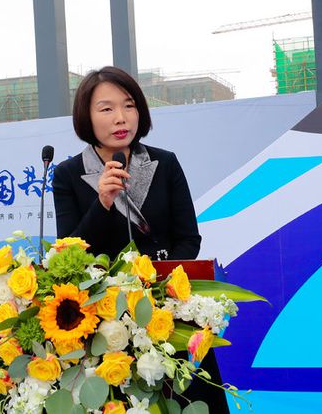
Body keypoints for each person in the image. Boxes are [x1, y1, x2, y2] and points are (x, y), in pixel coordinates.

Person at [52, 66, 229, 413]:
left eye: (129, 105)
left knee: (187, 398)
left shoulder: (165, 162)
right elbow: (68, 255)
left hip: (166, 310)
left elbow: (188, 238)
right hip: (105, 320)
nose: (121, 117)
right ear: (86, 116)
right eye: (106, 108)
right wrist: (102, 203)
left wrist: (162, 290)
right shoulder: (68, 175)